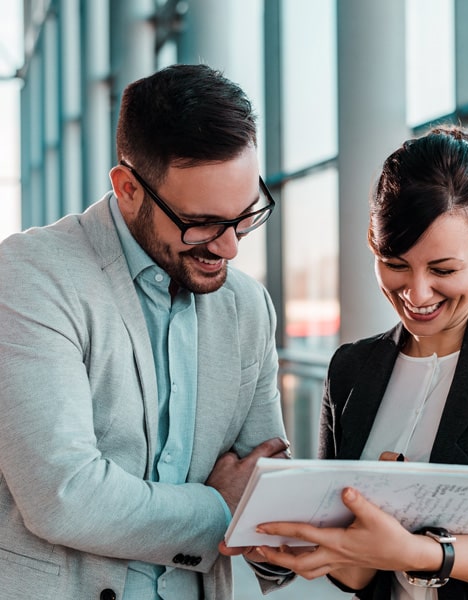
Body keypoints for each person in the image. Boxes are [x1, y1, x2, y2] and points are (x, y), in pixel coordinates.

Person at [247, 126, 468, 599]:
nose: (417, 292)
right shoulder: (350, 370)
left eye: (443, 270)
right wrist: (314, 545)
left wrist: (419, 553)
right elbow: (354, 576)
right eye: (396, 263)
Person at [0, 64, 294, 600]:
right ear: (128, 188)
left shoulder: (247, 305)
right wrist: (221, 509)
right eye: (201, 222)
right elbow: (64, 493)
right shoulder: (30, 275)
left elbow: (264, 482)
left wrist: (285, 531)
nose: (229, 248)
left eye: (245, 215)